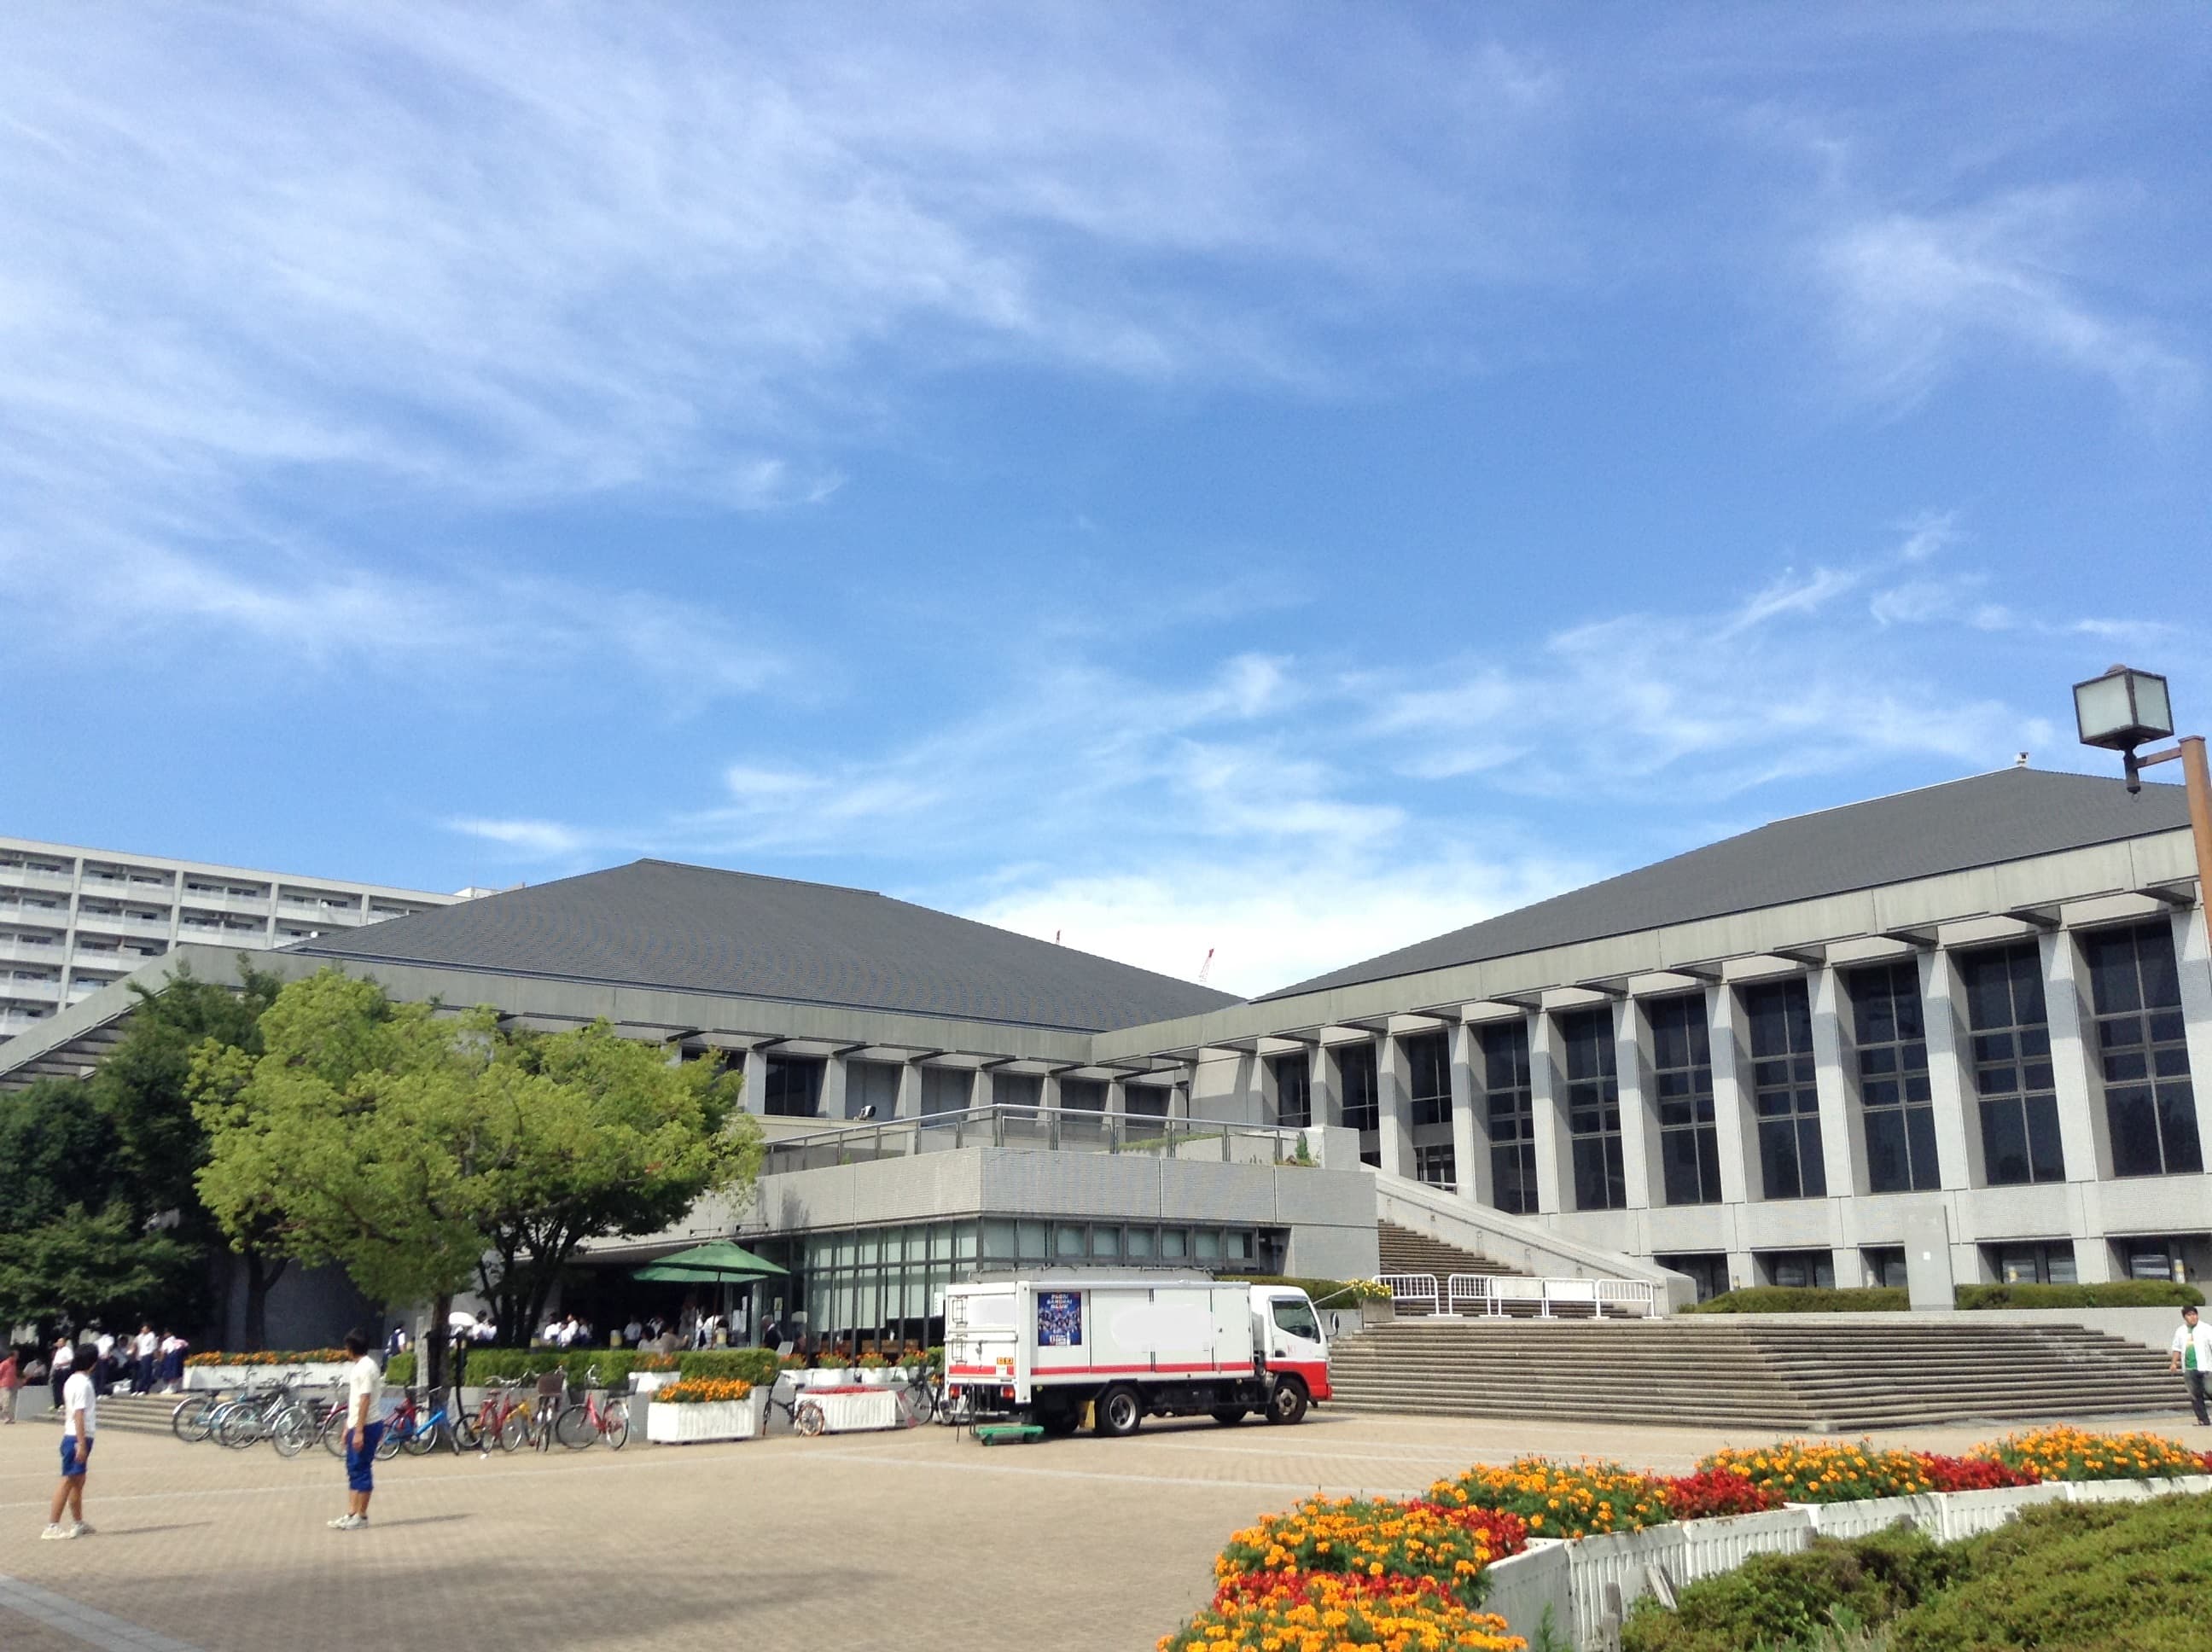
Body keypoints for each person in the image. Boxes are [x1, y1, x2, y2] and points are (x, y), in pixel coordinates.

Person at [331, 1329, 384, 1532]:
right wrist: (348, 1426)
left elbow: (365, 1400)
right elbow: (354, 1401)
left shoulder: (367, 1368)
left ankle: (361, 1515)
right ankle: (351, 1513)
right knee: (353, 1469)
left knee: (362, 1469)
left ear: (351, 1348)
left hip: (368, 1425)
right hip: (357, 1424)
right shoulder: (359, 1367)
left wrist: (359, 1431)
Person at [43, 1343, 96, 1539]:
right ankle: (52, 1525)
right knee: (68, 1480)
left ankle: (78, 1522)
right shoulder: (82, 1383)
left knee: (78, 1481)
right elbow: (79, 1414)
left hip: (75, 1436)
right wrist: (81, 1444)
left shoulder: (72, 1380)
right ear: (92, 1363)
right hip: (77, 1437)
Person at [2170, 1305, 2212, 1425]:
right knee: (2195, 1395)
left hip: (2206, 1367)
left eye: (2194, 1314)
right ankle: (2203, 1419)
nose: (2193, 1317)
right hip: (2189, 1368)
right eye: (2189, 1315)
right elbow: (2177, 1348)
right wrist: (2174, 1363)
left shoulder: (2206, 1328)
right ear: (2185, 1317)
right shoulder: (2180, 1331)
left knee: (2210, 1391)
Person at [49, 1335, 74, 1409]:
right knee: (56, 1387)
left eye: (60, 1342)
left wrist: (61, 1364)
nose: (58, 1343)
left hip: (64, 1370)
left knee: (63, 1387)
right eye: (58, 1342)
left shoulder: (67, 1350)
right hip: (57, 1370)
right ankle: (57, 1403)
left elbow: (71, 1360)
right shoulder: (58, 1351)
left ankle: (63, 1403)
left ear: (64, 1343)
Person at [132, 1324, 157, 1395]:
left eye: (145, 1329)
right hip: (142, 1356)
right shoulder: (143, 1336)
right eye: (143, 1329)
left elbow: (153, 1347)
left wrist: (153, 1356)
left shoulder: (151, 1336)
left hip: (148, 1355)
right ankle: (139, 1389)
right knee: (141, 1373)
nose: (143, 1330)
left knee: (146, 1373)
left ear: (148, 1329)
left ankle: (144, 1389)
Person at [0, 1345, 19, 1425]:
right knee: (6, 1401)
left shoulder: (14, 1364)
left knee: (10, 1402)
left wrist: (17, 1383)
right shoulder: (4, 1364)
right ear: (11, 1356)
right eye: (16, 1356)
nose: (17, 1357)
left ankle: (10, 1417)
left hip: (12, 1385)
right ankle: (5, 1417)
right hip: (4, 1385)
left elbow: (14, 1374)